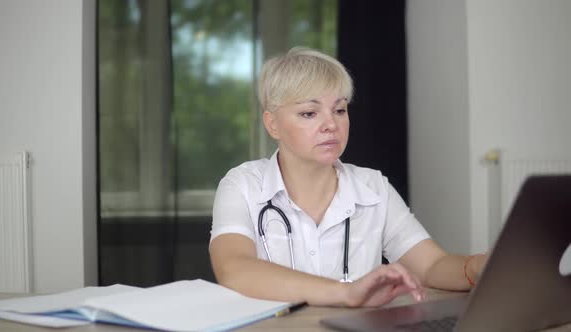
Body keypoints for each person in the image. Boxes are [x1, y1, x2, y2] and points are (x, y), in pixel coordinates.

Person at [209, 47, 487, 308]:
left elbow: (431, 266)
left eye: (340, 110)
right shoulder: (242, 185)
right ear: (272, 124)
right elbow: (235, 270)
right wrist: (346, 292)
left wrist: (476, 267)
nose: (331, 124)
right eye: (309, 113)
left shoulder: (373, 186)